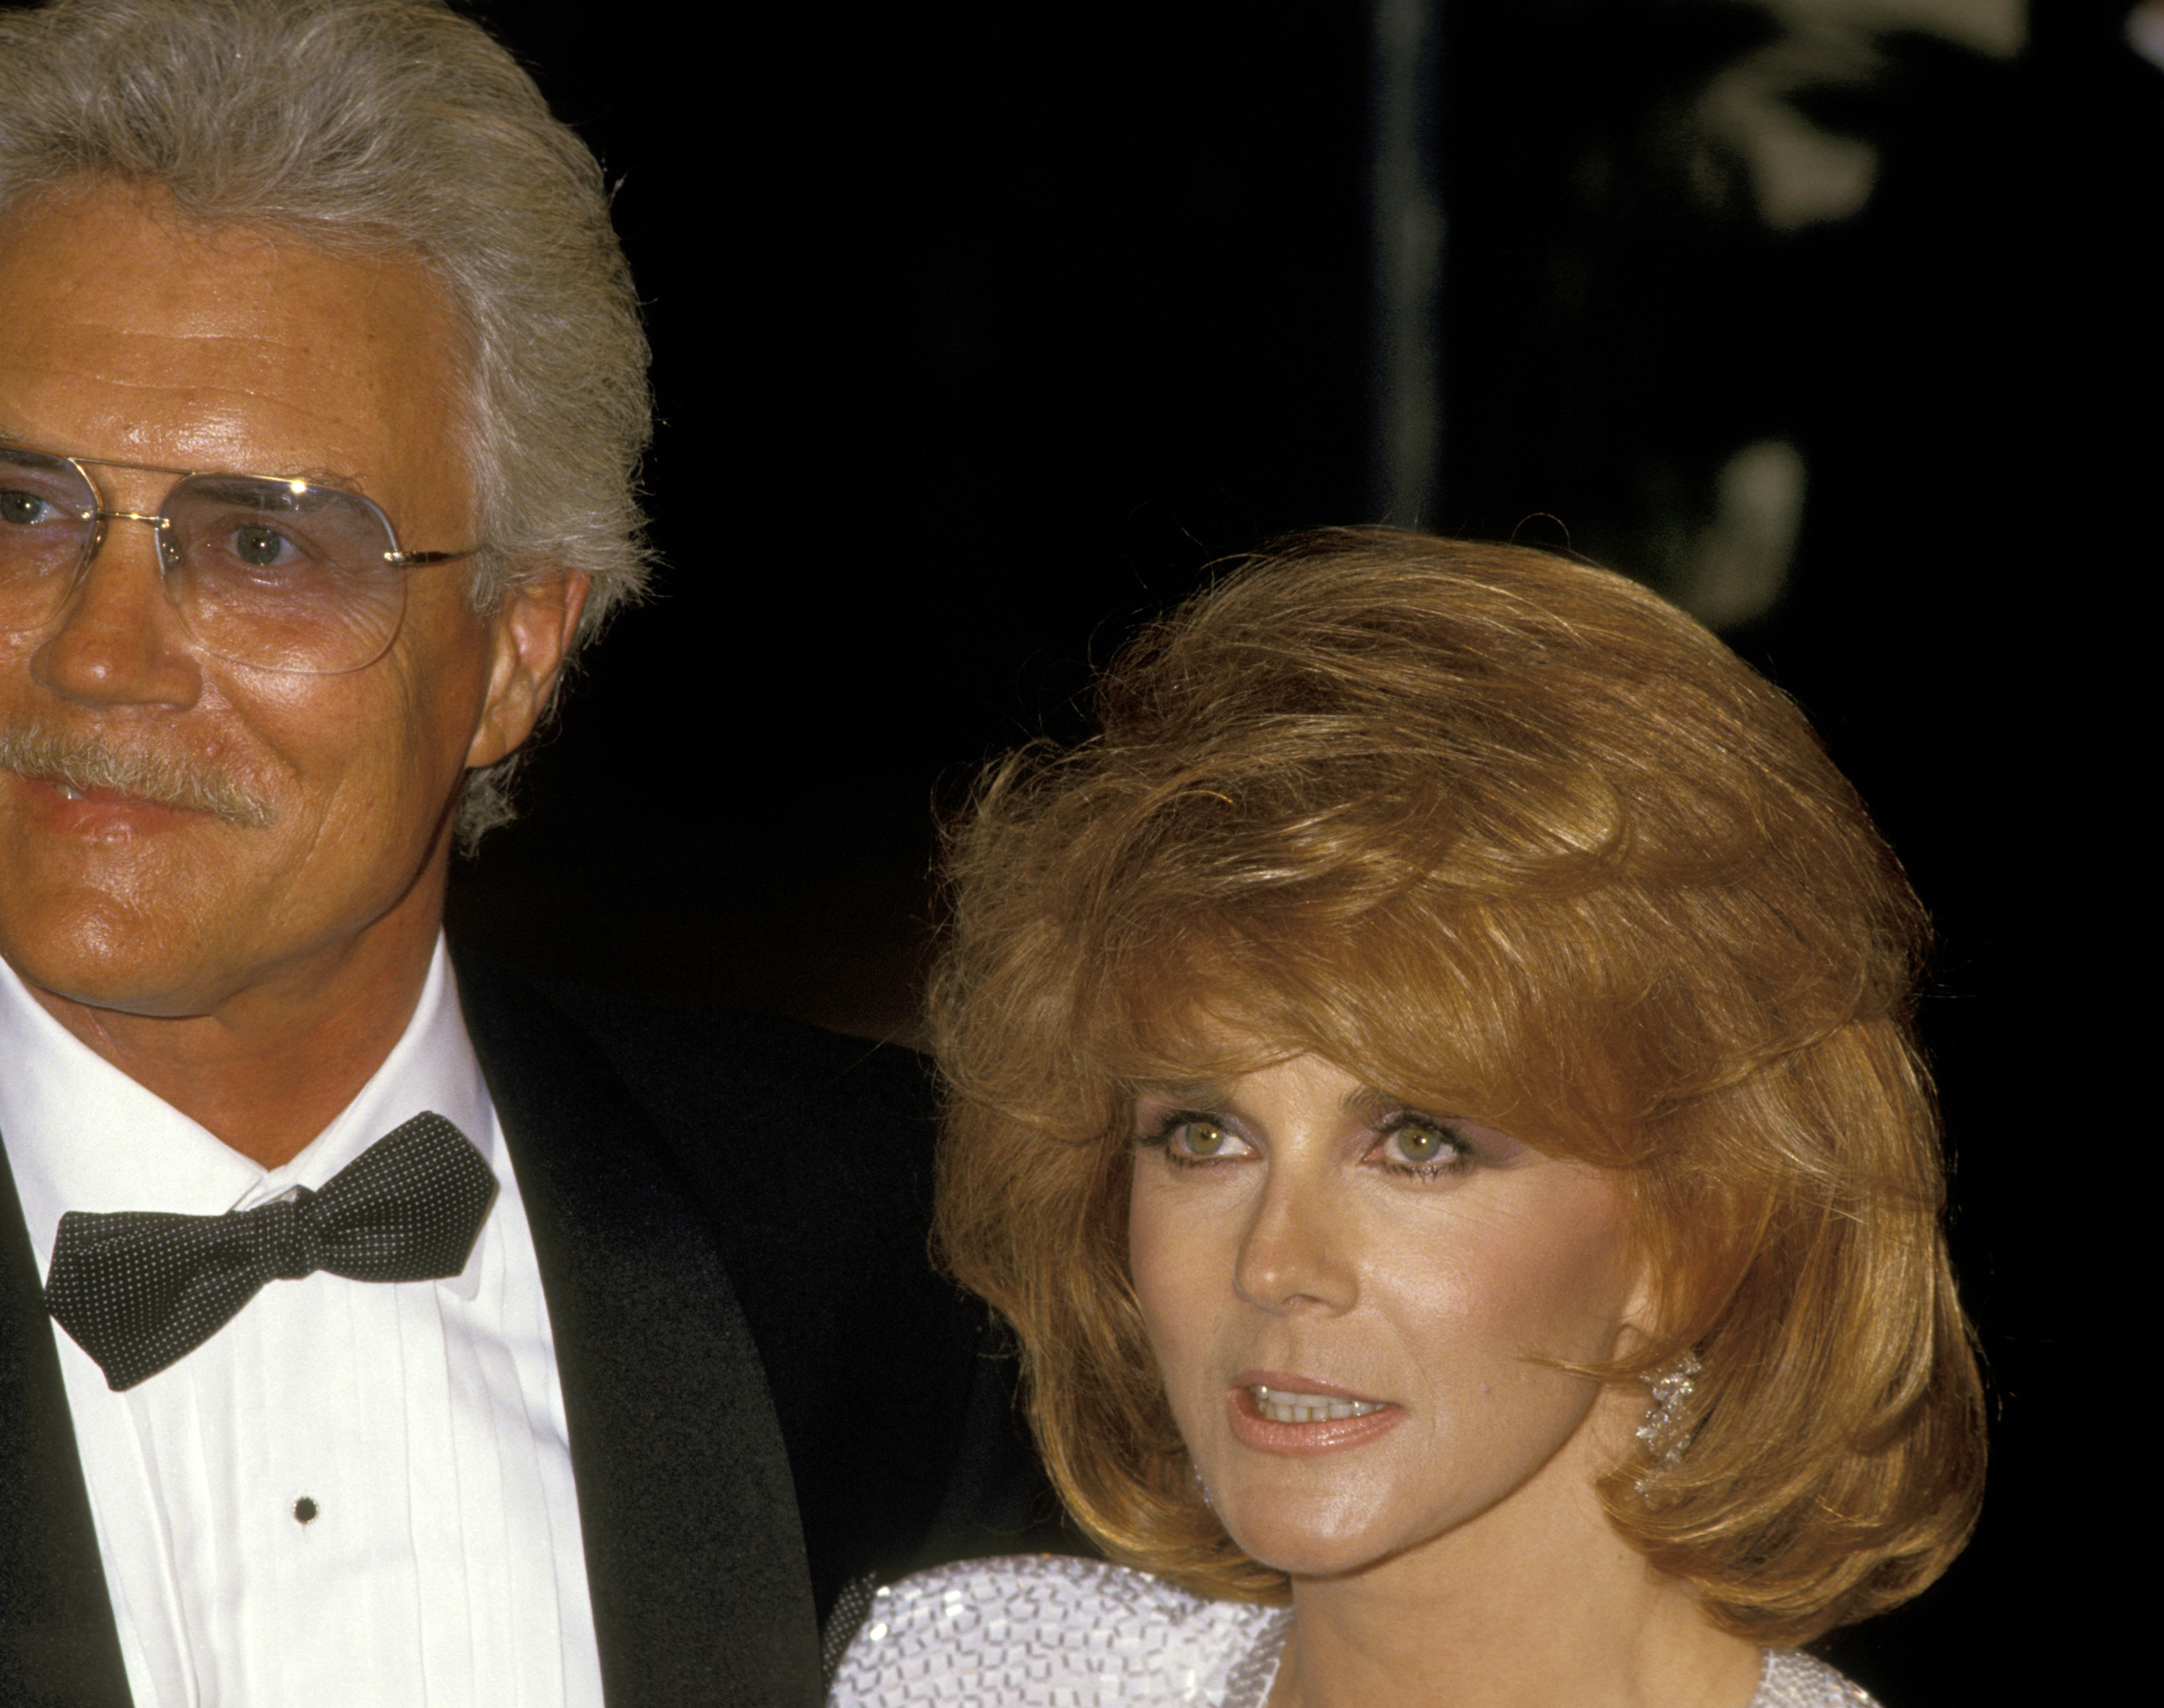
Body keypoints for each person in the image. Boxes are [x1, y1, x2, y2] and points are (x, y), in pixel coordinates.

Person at [0, 3, 1049, 1705]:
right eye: (16, 507)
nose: (100, 653)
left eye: (263, 538)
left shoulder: (927, 1261)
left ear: (516, 646)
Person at [829, 532, 1986, 1706]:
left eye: (1418, 1143)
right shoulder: (972, 1679)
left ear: (1691, 1236)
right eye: (1204, 1137)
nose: (1275, 1264)